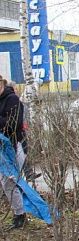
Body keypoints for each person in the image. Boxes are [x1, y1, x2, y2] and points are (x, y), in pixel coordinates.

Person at [0, 76, 27, 229]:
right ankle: (19, 213)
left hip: (15, 146)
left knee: (10, 181)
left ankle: (20, 215)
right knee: (7, 183)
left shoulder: (12, 100)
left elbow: (12, 124)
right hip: (2, 150)